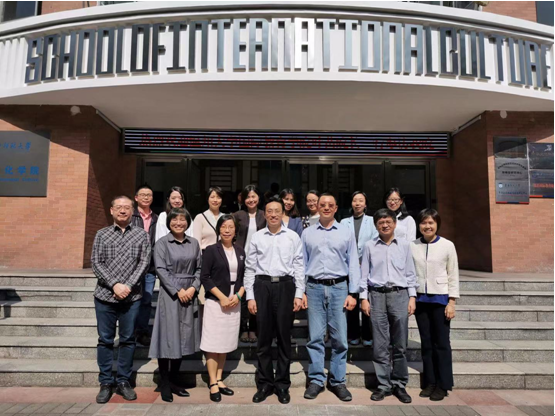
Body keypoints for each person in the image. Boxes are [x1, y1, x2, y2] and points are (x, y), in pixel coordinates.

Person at [91, 195, 151, 404]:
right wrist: (115, 284)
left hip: (131, 297)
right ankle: (106, 382)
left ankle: (124, 380)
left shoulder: (141, 235)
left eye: (127, 207)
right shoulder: (102, 234)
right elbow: (96, 262)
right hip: (105, 297)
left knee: (127, 340)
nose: (123, 210)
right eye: (119, 207)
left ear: (132, 211)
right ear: (112, 210)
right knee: (105, 340)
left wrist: (128, 286)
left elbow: (144, 263)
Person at [245, 197, 305, 404]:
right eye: (269, 211)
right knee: (263, 339)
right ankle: (264, 384)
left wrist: (299, 293)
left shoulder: (293, 237)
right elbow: (250, 268)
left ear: (282, 213)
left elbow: (299, 266)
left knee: (283, 338)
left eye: (276, 211)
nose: (273, 214)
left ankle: (282, 385)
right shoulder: (257, 237)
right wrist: (250, 296)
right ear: (264, 213)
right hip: (262, 286)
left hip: (286, 286)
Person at [301, 193, 360, 402]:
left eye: (330, 205)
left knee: (340, 338)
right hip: (314, 287)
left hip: (339, 288)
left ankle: (337, 381)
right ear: (317, 207)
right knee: (315, 337)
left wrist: (353, 293)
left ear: (335, 208)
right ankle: (316, 380)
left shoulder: (345, 232)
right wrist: (301, 291)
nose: (326, 207)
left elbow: (353, 263)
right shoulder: (307, 233)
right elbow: (302, 263)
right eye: (322, 204)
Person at [360, 208, 418, 404]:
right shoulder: (369, 246)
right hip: (376, 296)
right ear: (376, 225)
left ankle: (399, 384)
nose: (385, 225)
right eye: (381, 222)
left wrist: (412, 297)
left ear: (394, 223)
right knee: (380, 344)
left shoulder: (405, 245)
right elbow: (363, 274)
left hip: (399, 295)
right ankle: (383, 385)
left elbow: (410, 273)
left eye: (388, 222)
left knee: (400, 344)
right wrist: (364, 298)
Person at [149, 207, 201, 403]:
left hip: (189, 294)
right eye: (174, 220)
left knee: (183, 337)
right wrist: (178, 290)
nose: (178, 223)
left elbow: (199, 269)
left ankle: (174, 380)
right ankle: (164, 383)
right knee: (167, 337)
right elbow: (160, 270)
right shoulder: (162, 243)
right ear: (169, 222)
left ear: (188, 222)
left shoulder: (194, 243)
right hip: (171, 295)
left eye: (182, 220)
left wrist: (193, 288)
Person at [411, 209, 459, 401]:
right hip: (421, 300)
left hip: (441, 300)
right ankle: (430, 382)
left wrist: (452, 302)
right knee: (427, 343)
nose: (427, 226)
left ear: (437, 224)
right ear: (419, 225)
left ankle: (443, 384)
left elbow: (453, 274)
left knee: (442, 343)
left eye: (431, 222)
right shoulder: (413, 246)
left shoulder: (447, 245)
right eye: (424, 223)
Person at [200, 215, 246, 402]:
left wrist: (238, 296)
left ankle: (220, 379)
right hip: (216, 302)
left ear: (235, 230)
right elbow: (205, 277)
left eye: (231, 227)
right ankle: (212, 382)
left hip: (234, 302)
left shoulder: (240, 251)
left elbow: (244, 277)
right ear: (218, 229)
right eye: (224, 226)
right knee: (213, 344)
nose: (227, 230)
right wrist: (222, 298)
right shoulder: (211, 250)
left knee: (225, 343)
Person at [341, 191, 378, 347]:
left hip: (366, 266)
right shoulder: (344, 222)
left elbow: (375, 242)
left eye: (361, 200)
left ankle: (368, 335)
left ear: (365, 204)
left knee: (366, 300)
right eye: (355, 200)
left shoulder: (372, 221)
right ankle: (353, 334)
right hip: (349, 266)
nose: (357, 203)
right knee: (352, 300)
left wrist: (364, 262)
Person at [233, 185, 266, 343]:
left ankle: (253, 328)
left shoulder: (264, 215)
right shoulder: (237, 215)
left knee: (255, 296)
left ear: (258, 198)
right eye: (248, 197)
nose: (251, 200)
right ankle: (242, 329)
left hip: (259, 261)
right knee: (241, 295)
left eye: (253, 196)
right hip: (240, 260)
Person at [131, 184, 159, 347]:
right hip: (132, 267)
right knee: (132, 300)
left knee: (146, 300)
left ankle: (142, 332)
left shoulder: (157, 218)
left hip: (150, 267)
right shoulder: (130, 216)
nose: (146, 197)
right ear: (136, 198)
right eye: (143, 195)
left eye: (149, 195)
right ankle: (130, 331)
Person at [193, 186, 225, 252]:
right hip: (206, 254)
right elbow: (197, 242)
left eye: (218, 197)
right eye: (212, 197)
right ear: (207, 199)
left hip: (223, 254)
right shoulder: (200, 218)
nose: (215, 200)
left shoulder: (225, 217)